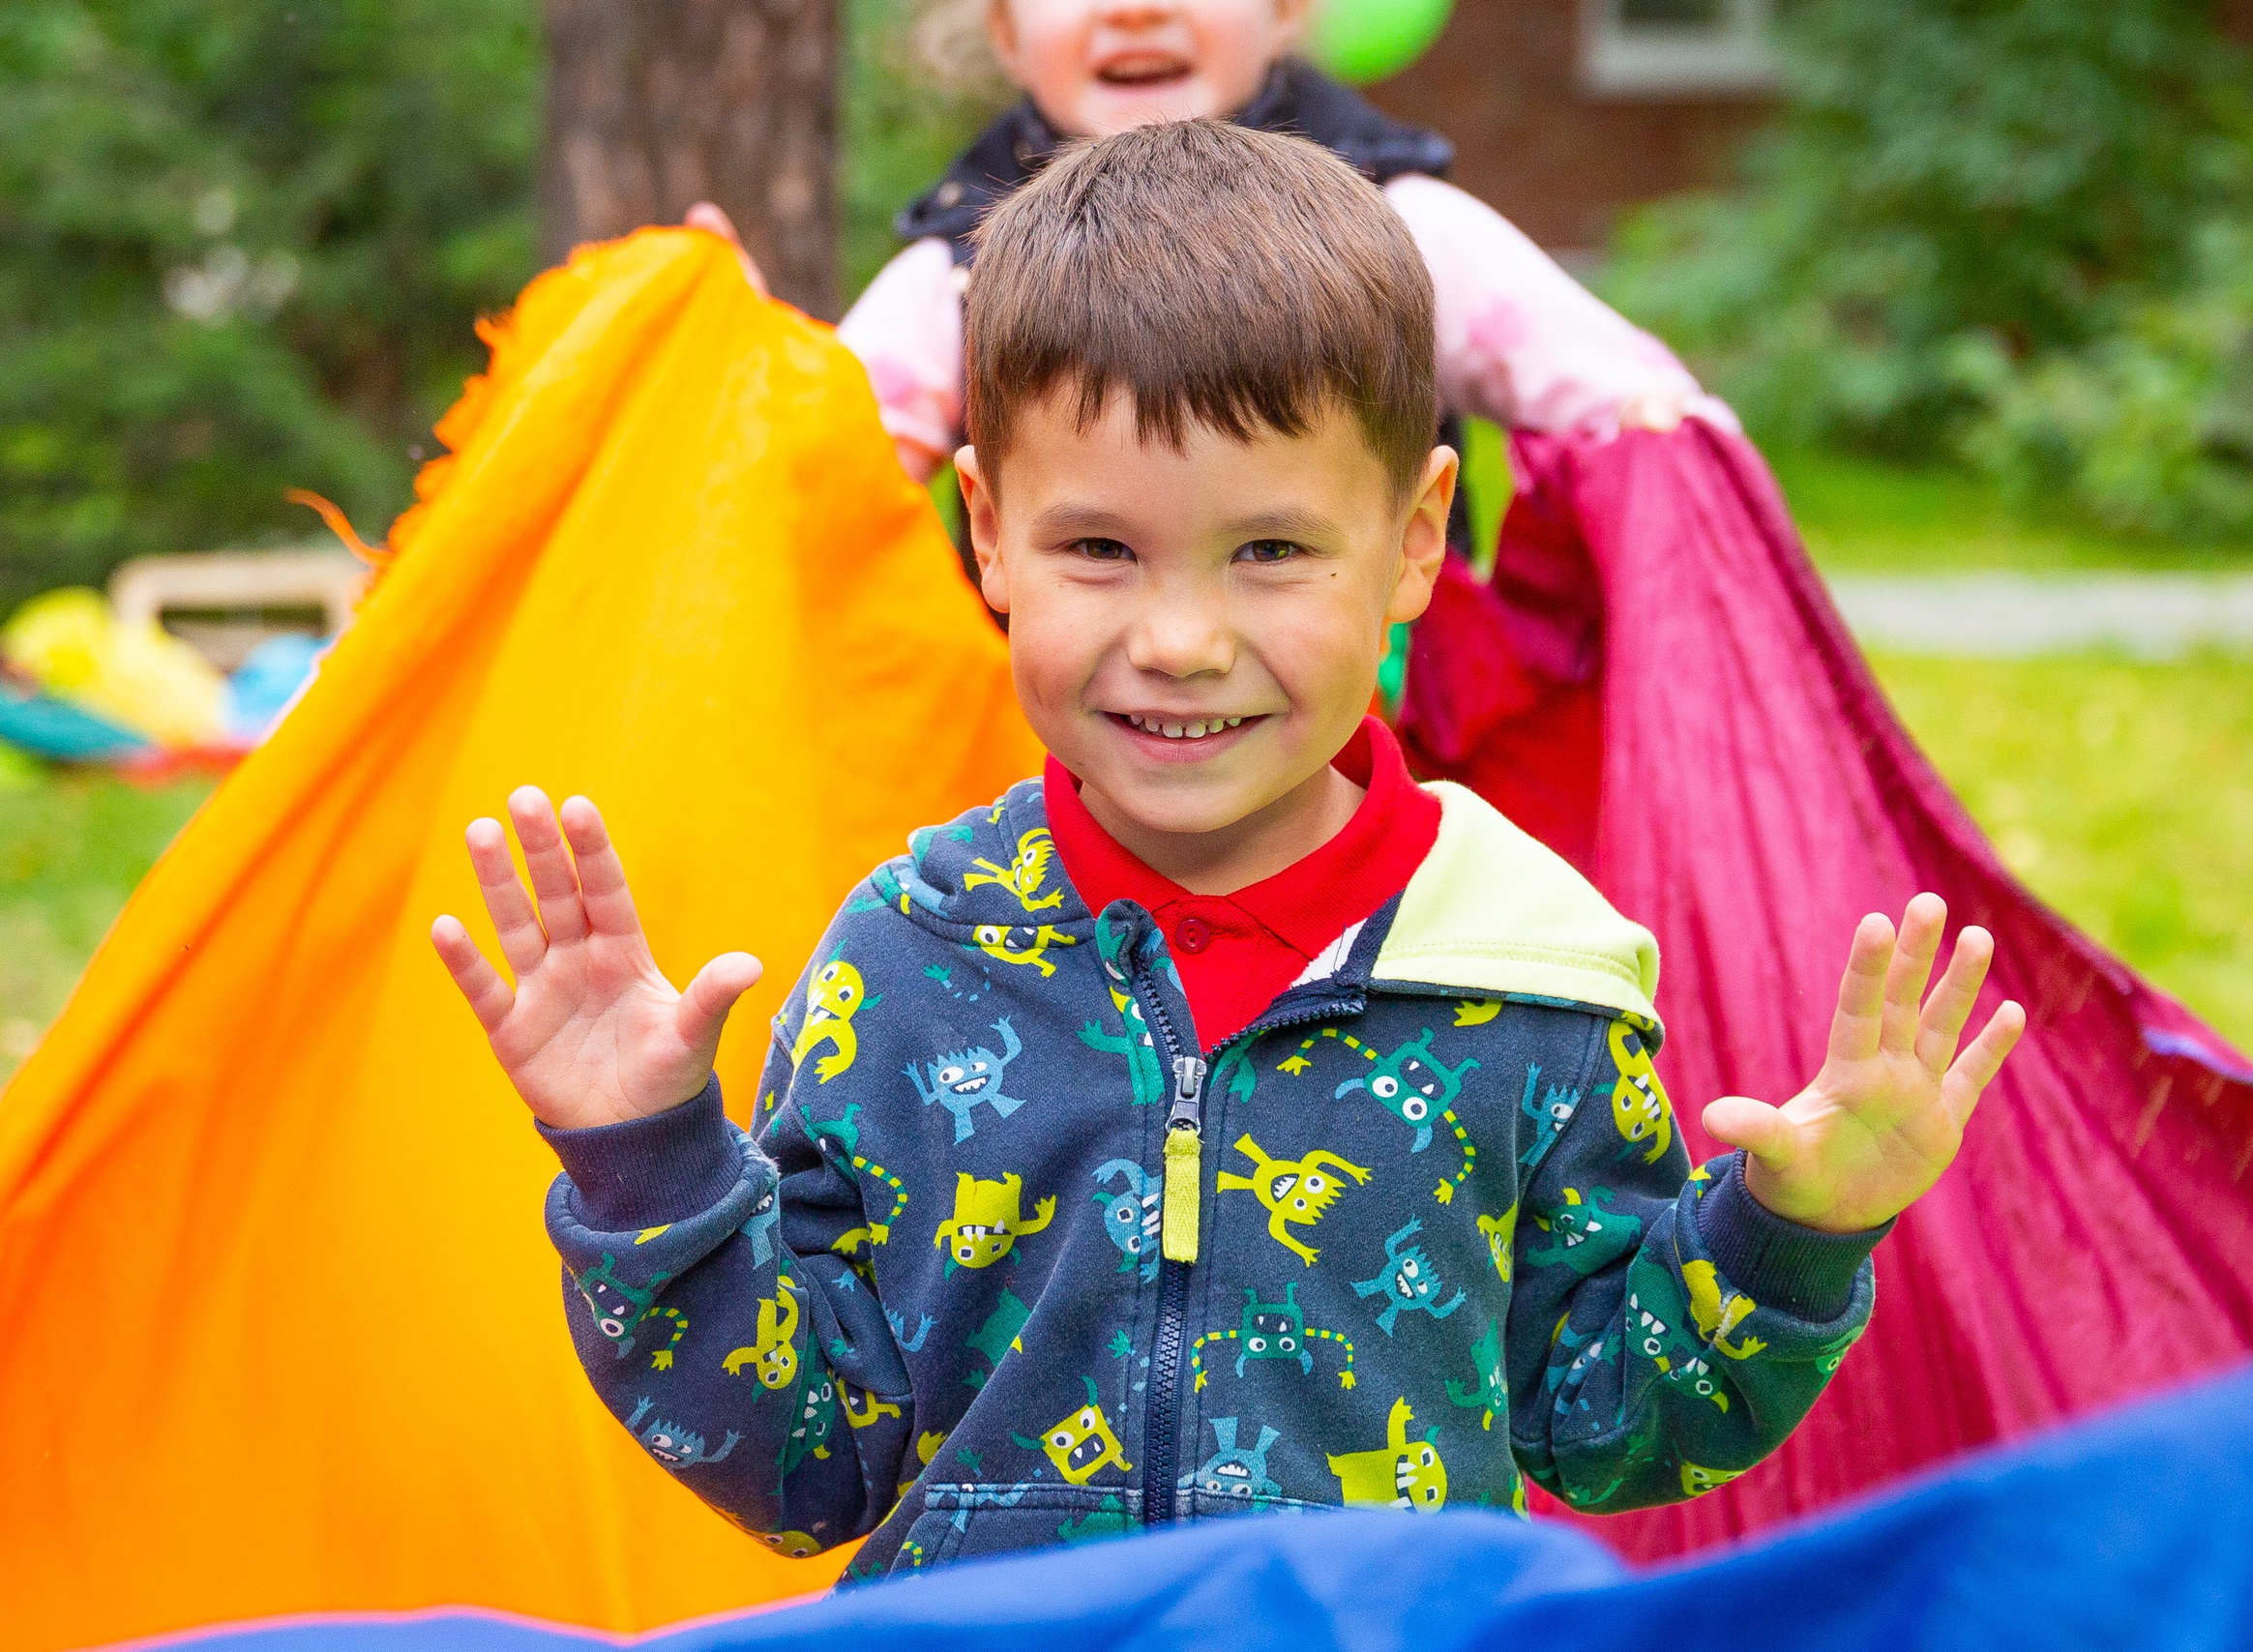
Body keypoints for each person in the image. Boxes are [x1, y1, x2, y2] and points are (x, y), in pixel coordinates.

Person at [432, 123, 2024, 1577]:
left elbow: (1611, 1422)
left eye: (1269, 551)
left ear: (1412, 541)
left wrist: (1791, 1235)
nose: (1180, 640)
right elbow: (804, 1461)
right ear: (988, 532)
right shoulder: (910, 958)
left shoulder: (1531, 970)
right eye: (1100, 550)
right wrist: (646, 1160)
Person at [692, 0, 1722, 487]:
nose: (1137, 8)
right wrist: (732, 363)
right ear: (1004, 31)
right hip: (1065, 779)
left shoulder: (1398, 224)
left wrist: (1656, 433)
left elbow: (1609, 390)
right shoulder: (962, 267)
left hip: (1365, 768)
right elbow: (827, 466)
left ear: (1284, 10)